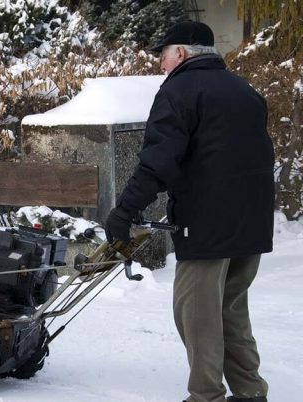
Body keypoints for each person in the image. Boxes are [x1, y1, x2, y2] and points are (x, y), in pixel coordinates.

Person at [105, 21, 274, 402]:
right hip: (251, 222)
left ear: (181, 53)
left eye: (163, 55)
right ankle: (250, 392)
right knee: (230, 310)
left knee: (196, 316)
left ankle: (206, 396)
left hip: (207, 225)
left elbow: (158, 162)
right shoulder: (244, 90)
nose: (161, 64)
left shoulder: (180, 89)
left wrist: (124, 211)